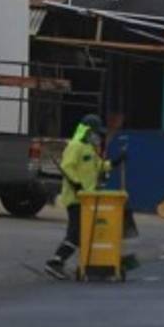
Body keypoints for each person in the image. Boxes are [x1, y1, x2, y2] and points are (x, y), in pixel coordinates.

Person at [44, 114, 120, 280]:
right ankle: (55, 262)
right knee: (76, 233)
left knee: (81, 233)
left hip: (88, 199)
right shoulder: (75, 146)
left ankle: (78, 263)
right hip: (75, 198)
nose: (98, 136)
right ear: (87, 131)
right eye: (95, 133)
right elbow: (67, 167)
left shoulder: (90, 149)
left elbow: (99, 166)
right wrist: (76, 183)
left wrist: (114, 163)